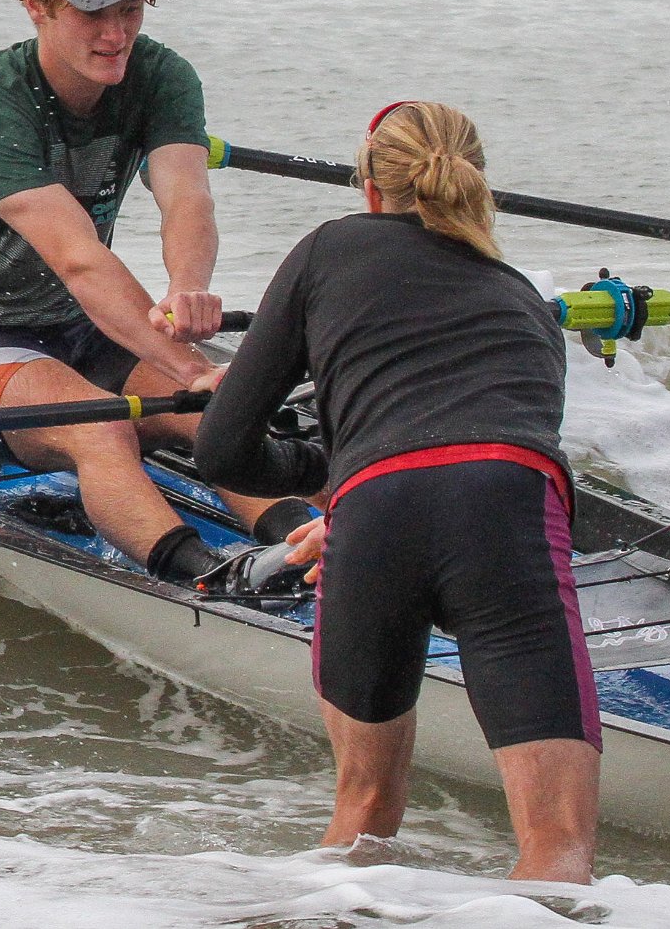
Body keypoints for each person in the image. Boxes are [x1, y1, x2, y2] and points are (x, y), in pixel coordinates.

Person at [193, 101, 598, 883]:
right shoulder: (525, 304)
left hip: (374, 515)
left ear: (369, 189)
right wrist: (349, 469)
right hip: (505, 507)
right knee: (557, 848)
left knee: (363, 821)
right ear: (481, 186)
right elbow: (469, 438)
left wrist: (334, 476)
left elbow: (222, 451)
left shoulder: (329, 248)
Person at [0, 0, 308, 581]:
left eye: (132, 10)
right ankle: (209, 579)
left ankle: (309, 546)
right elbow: (79, 259)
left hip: (79, 331)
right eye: (93, 14)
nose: (117, 35)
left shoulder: (162, 76)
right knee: (104, 427)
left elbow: (186, 195)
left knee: (219, 419)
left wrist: (186, 288)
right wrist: (185, 364)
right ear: (35, 6)